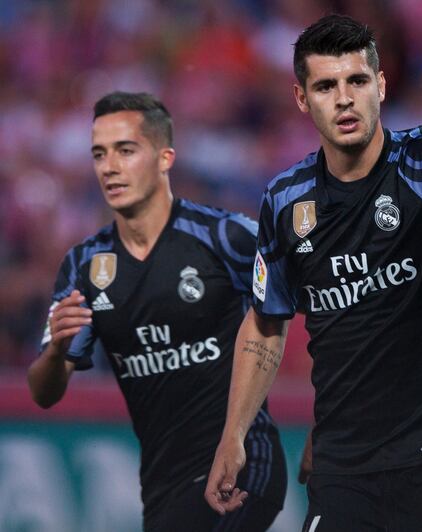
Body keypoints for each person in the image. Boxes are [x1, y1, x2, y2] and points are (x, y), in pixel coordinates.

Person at [204, 14, 422, 532]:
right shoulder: (287, 201)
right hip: (343, 468)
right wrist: (234, 435)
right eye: (326, 86)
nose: (344, 98)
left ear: (380, 84)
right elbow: (267, 322)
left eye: (356, 81)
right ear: (302, 98)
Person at [28, 91, 287, 532]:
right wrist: (55, 352)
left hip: (244, 460)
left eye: (125, 150)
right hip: (165, 488)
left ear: (165, 157)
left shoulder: (226, 237)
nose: (109, 167)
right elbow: (44, 392)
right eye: (99, 154)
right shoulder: (86, 267)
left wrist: (327, 425)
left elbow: (307, 306)